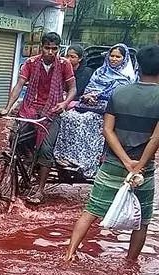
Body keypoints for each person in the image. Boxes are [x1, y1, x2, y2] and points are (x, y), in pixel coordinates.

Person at [65, 44, 159, 262]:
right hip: (143, 168)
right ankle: (130, 264)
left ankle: (69, 254)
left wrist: (125, 161)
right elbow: (155, 138)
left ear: (138, 65)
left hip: (113, 163)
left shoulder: (120, 92)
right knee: (143, 219)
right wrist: (138, 165)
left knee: (91, 210)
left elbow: (107, 130)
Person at [0, 32, 76, 204]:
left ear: (58, 49)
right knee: (14, 138)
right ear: (41, 47)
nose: (50, 52)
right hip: (30, 108)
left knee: (46, 149)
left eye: (54, 49)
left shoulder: (65, 64)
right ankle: (28, 163)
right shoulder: (31, 63)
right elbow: (19, 84)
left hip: (52, 111)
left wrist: (64, 103)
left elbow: (73, 89)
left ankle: (40, 190)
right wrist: (7, 107)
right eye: (47, 48)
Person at [53, 44, 137, 178]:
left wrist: (100, 97)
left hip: (110, 111)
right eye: (112, 55)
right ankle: (66, 157)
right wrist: (88, 96)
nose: (114, 59)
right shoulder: (99, 72)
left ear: (124, 59)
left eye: (118, 57)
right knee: (68, 117)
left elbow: (122, 96)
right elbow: (88, 88)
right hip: (88, 105)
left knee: (85, 120)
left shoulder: (128, 77)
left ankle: (85, 161)